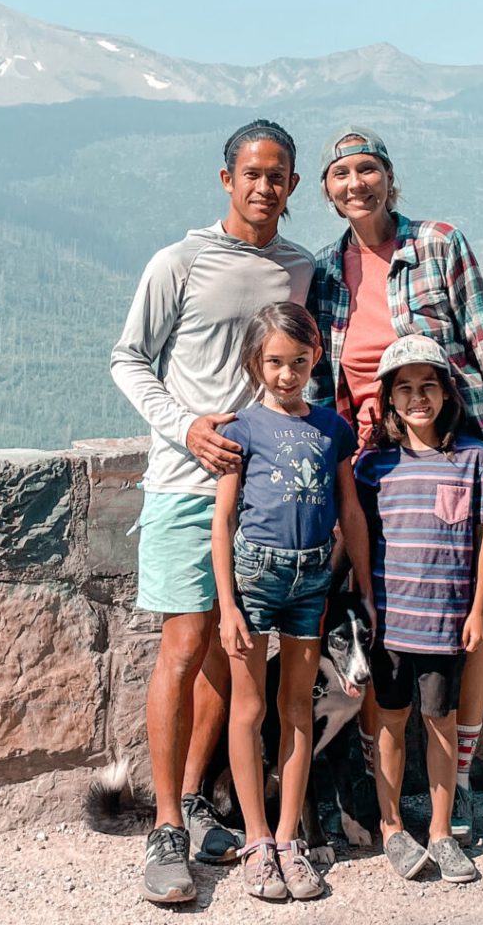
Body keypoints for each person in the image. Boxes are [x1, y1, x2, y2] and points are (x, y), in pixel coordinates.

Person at [311, 125, 483, 844]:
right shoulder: (325, 273)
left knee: (462, 627)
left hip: (454, 449)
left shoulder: (441, 243)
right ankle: (368, 788)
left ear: (390, 178)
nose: (357, 184)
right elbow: (324, 385)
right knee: (381, 622)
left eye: (368, 169)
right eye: (341, 174)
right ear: (326, 189)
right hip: (373, 468)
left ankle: (458, 779)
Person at [110, 120, 315, 903]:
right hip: (184, 485)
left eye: (279, 175)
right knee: (185, 641)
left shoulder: (299, 270)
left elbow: (307, 366)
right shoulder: (181, 261)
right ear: (226, 177)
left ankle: (194, 803)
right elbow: (128, 357)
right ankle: (165, 831)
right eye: (252, 172)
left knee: (237, 655)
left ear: (294, 187)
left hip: (265, 497)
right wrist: (186, 426)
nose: (265, 186)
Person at [212, 302, 373, 900]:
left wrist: (365, 584)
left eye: (298, 362)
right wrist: (227, 605)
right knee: (250, 709)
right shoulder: (243, 429)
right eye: (275, 362)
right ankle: (256, 841)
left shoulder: (332, 429)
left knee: (298, 709)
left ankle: (288, 839)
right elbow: (223, 519)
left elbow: (350, 511)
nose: (286, 374)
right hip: (255, 578)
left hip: (311, 583)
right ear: (257, 361)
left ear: (315, 360)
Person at [355, 334, 483, 883]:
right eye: (404, 388)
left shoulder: (472, 460)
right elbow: (359, 538)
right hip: (392, 623)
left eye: (428, 386)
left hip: (445, 623)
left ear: (446, 393)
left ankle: (442, 832)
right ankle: (393, 828)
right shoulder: (375, 467)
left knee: (440, 723)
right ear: (389, 400)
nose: (417, 397)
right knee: (392, 722)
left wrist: (477, 613)